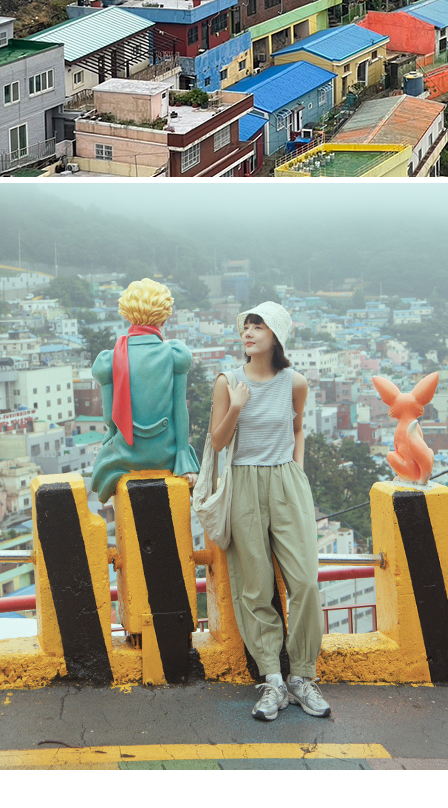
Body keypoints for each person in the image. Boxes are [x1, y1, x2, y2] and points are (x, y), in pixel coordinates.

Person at [210, 301, 329, 721]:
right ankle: (273, 679)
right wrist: (237, 406)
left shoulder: (295, 382)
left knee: (306, 582)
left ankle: (302, 675)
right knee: (255, 586)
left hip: (286, 481)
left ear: (276, 335)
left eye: (258, 326)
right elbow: (217, 442)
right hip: (243, 482)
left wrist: (297, 472)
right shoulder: (228, 382)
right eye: (246, 326)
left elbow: (298, 429)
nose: (248, 332)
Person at [91, 278, 199, 503]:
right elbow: (180, 410)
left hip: (125, 456)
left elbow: (109, 417)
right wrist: (182, 455)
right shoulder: (174, 353)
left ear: (127, 314)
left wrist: (112, 432)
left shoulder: (110, 359)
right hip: (166, 454)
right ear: (164, 316)